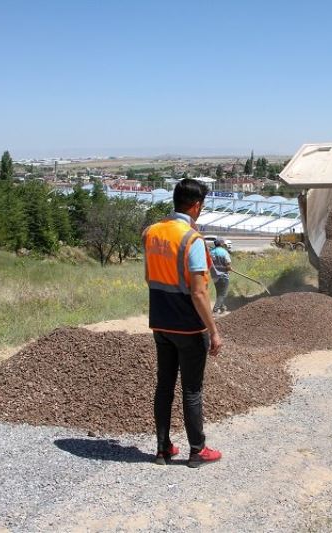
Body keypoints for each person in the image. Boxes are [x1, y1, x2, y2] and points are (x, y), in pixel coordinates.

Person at [142, 178, 223, 468]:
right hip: (188, 326)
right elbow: (199, 291)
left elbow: (148, 276)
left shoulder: (151, 232)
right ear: (197, 206)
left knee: (164, 386)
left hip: (160, 322)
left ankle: (163, 449)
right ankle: (197, 451)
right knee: (192, 390)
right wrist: (213, 331)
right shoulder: (192, 239)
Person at [210, 238, 232, 313]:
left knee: (219, 293)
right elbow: (228, 265)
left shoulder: (211, 252)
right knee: (222, 294)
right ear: (222, 244)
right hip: (223, 276)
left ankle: (223, 308)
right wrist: (229, 268)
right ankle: (215, 310)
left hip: (214, 276)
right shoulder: (224, 252)